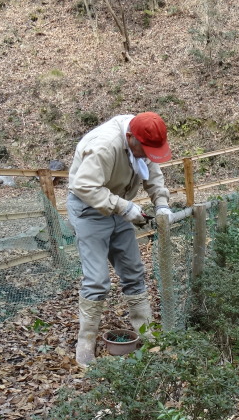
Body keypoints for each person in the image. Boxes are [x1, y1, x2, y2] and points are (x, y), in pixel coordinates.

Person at [67, 112, 174, 368]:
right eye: (144, 149)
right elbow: (84, 186)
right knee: (97, 281)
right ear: (129, 138)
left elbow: (152, 171)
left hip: (119, 206)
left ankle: (146, 332)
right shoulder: (104, 146)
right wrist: (124, 207)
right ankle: (86, 343)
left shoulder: (144, 136)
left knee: (134, 272)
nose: (147, 154)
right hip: (89, 209)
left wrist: (161, 205)